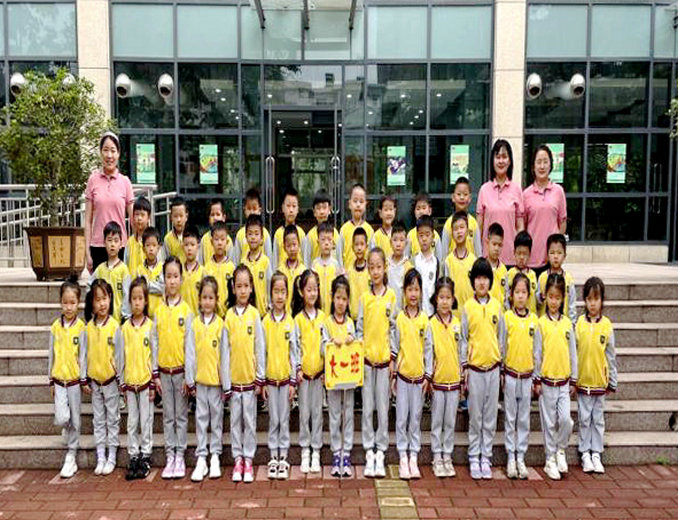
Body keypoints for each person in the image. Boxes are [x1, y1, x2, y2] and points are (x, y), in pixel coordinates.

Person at [461, 258, 504, 480]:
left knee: (490, 415)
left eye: (485, 278)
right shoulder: (468, 307)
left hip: (493, 369)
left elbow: (501, 338)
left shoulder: (497, 306)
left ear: (490, 281)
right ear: (473, 281)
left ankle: (486, 456)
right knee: (475, 416)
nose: (481, 282)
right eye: (478, 278)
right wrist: (464, 367)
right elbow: (463, 339)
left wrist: (501, 367)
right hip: (475, 369)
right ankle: (473, 455)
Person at [223, 265, 266, 483]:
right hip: (234, 382)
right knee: (234, 422)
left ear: (251, 288)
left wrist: (260, 377)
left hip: (250, 382)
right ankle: (237, 458)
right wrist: (225, 383)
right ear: (233, 288)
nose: (242, 290)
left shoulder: (254, 315)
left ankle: (248, 458)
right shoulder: (228, 317)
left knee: (249, 421)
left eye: (246, 286)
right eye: (238, 286)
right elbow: (224, 352)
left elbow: (259, 347)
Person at [357, 247, 397, 478]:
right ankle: (368, 450)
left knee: (382, 408)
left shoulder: (391, 296)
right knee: (367, 407)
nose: (375, 271)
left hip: (383, 363)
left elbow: (394, 330)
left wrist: (392, 357)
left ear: (385, 268)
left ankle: (380, 450)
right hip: (366, 362)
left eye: (378, 267)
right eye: (371, 267)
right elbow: (360, 329)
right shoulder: (364, 299)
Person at [185, 276, 229, 482]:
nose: (208, 301)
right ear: (199, 299)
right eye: (204, 297)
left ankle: (215, 456)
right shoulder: (194, 324)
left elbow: (224, 356)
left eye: (211, 298)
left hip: (216, 383)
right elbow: (190, 353)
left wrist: (226, 384)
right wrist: (190, 380)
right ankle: (201, 457)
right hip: (200, 383)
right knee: (201, 419)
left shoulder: (221, 325)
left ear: (217, 299)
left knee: (216, 420)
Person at [154, 257, 193, 480]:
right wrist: (155, 374)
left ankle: (180, 454)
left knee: (181, 416)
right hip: (164, 373)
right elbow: (155, 342)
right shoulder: (159, 311)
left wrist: (189, 375)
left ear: (181, 279)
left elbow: (189, 345)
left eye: (175, 276)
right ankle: (170, 455)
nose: (172, 281)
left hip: (180, 373)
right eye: (168, 276)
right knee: (168, 416)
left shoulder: (186, 311)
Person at [536, 273, 577, 481]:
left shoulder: (567, 324)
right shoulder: (541, 324)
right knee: (549, 423)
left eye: (557, 298)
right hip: (546, 382)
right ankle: (549, 458)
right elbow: (537, 354)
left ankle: (561, 449)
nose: (554, 302)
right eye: (551, 297)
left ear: (562, 299)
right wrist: (536, 379)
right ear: (545, 296)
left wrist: (574, 378)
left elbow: (573, 353)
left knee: (566, 420)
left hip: (563, 383)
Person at [391, 268, 432, 480]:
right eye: (409, 289)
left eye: (416, 289)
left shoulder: (425, 320)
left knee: (415, 418)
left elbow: (428, 349)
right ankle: (402, 456)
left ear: (421, 292)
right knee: (401, 418)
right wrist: (393, 374)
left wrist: (428, 375)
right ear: (404, 292)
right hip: (403, 377)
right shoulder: (399, 318)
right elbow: (395, 346)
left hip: (419, 379)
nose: (413, 294)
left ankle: (413, 456)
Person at [501, 273, 541, 480]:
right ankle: (510, 456)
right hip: (510, 375)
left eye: (524, 292)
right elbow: (501, 346)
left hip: (527, 377)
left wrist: (536, 377)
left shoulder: (534, 320)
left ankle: (521, 456)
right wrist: (501, 371)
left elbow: (537, 351)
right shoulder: (507, 318)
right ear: (511, 295)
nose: (520, 296)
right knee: (510, 417)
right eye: (517, 292)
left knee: (523, 418)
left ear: (529, 295)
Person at [576, 277, 617, 475]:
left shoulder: (607, 325)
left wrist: (612, 380)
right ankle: (585, 452)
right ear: (584, 300)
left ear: (602, 300)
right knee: (584, 419)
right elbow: (574, 352)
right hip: (583, 381)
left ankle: (596, 453)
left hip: (600, 382)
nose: (593, 303)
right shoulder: (579, 324)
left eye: (596, 299)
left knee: (598, 419)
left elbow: (611, 355)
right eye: (589, 299)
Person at [119, 277, 158, 481]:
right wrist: (122, 383)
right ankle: (133, 455)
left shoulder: (150, 326)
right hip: (130, 383)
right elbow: (121, 357)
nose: (136, 302)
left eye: (140, 298)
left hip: (145, 383)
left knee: (146, 420)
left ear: (145, 301)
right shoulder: (124, 328)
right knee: (132, 422)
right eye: (133, 298)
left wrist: (152, 382)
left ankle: (146, 455)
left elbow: (153, 356)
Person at [82, 279, 121, 476]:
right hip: (95, 383)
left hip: (111, 381)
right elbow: (83, 355)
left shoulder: (114, 326)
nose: (102, 304)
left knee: (112, 419)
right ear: (92, 303)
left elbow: (120, 355)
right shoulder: (88, 328)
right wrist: (83, 378)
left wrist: (120, 377)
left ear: (110, 299)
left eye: (105, 298)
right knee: (98, 420)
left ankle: (112, 455)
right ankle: (100, 456)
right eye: (97, 300)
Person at [49, 280, 87, 478]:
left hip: (74, 381)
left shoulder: (81, 328)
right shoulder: (55, 327)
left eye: (72, 303)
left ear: (78, 303)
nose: (69, 307)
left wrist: (83, 378)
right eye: (65, 302)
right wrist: (50, 379)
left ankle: (71, 454)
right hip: (59, 380)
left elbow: (84, 355)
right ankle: (67, 430)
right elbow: (51, 354)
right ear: (60, 303)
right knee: (63, 417)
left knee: (75, 418)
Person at [262, 272, 298, 480]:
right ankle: (273, 456)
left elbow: (293, 353)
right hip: (270, 380)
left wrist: (293, 381)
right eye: (276, 291)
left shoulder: (290, 322)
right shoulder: (265, 322)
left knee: (284, 419)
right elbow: (262, 352)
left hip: (285, 381)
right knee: (273, 418)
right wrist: (262, 381)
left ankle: (283, 456)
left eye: (283, 292)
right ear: (271, 294)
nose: (279, 296)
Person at [321, 276, 357, 477]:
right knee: (334, 414)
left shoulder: (350, 323)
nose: (341, 302)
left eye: (344, 299)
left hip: (348, 379)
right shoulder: (327, 323)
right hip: (333, 378)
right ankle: (336, 452)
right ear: (332, 298)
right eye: (338, 298)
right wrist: (330, 343)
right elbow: (322, 348)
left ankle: (347, 452)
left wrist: (352, 339)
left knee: (348, 414)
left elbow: (356, 347)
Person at [85, 131, 134, 272]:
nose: (109, 155)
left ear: (118, 154)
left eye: (113, 150)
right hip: (98, 246)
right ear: (100, 153)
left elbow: (133, 221)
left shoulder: (125, 182)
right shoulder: (93, 180)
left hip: (120, 247)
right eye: (105, 150)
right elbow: (87, 221)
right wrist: (87, 252)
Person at [427, 277, 462, 478]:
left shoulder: (457, 324)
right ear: (435, 299)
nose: (445, 302)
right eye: (441, 297)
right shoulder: (431, 324)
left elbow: (461, 350)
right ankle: (436, 455)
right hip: (438, 381)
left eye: (448, 297)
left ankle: (447, 455)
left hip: (454, 381)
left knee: (450, 421)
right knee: (437, 421)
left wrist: (462, 374)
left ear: (453, 299)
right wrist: (429, 376)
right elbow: (428, 352)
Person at [293, 269, 325, 474]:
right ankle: (305, 449)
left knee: (317, 413)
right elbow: (295, 346)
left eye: (315, 289)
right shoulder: (298, 319)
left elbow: (327, 345)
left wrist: (327, 370)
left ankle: (316, 450)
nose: (312, 293)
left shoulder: (323, 318)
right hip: (304, 377)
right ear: (301, 292)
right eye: (308, 289)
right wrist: (297, 368)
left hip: (319, 376)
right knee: (304, 413)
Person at [476, 139, 524, 265]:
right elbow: (479, 228)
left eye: (504, 157)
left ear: (510, 161)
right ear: (492, 161)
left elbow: (520, 226)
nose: (501, 161)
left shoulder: (516, 190)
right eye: (497, 157)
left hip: (511, 258)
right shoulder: (484, 190)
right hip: (488, 259)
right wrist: (479, 255)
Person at [523, 145, 567, 274]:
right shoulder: (526, 194)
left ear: (551, 165)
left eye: (545, 162)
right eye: (538, 162)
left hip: (552, 260)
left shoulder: (558, 191)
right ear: (533, 166)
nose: (542, 166)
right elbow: (523, 225)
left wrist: (557, 249)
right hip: (532, 258)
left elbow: (562, 222)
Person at [89, 221, 131, 323]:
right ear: (104, 243)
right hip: (101, 321)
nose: (112, 244)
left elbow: (127, 295)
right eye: (109, 240)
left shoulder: (124, 270)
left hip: (118, 321)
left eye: (116, 241)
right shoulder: (100, 269)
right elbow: (89, 287)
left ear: (121, 244)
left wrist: (125, 316)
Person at [537, 233, 576, 323]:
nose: (555, 256)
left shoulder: (568, 279)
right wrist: (540, 297)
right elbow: (537, 302)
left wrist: (572, 323)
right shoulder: (543, 277)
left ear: (564, 256)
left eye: (559, 253)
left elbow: (572, 305)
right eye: (552, 253)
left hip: (563, 324)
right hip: (545, 324)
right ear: (547, 256)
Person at [443, 211, 476, 318]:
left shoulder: (473, 261)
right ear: (452, 233)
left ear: (467, 231)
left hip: (471, 313)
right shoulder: (448, 261)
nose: (459, 232)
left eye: (462, 227)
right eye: (456, 229)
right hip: (453, 314)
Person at [241, 214, 274, 316]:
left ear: (262, 238)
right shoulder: (243, 263)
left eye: (256, 234)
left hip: (263, 313)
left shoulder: (265, 262)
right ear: (246, 237)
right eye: (250, 234)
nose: (253, 237)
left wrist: (269, 305)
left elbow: (270, 285)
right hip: (246, 314)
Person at [442, 177, 482, 257]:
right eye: (459, 194)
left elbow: (478, 252)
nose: (462, 197)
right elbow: (444, 253)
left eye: (465, 194)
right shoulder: (448, 224)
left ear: (470, 198)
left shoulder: (473, 223)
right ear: (453, 198)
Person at [231, 188, 273, 265]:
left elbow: (269, 259)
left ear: (259, 210)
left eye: (254, 209)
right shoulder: (240, 234)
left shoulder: (265, 234)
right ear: (244, 210)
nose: (252, 212)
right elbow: (236, 261)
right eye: (249, 209)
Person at [337, 183, 374, 269]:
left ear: (365, 204)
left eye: (361, 202)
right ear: (349, 204)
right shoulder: (344, 229)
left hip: (365, 274)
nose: (358, 205)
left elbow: (372, 255)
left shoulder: (369, 230)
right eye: (355, 201)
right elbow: (339, 256)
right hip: (347, 274)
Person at [203, 221, 235, 318]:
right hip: (211, 315)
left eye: (222, 239)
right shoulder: (207, 268)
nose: (219, 243)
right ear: (211, 242)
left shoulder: (232, 267)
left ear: (227, 242)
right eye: (216, 239)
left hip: (228, 315)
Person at [312, 221, 343, 317]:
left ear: (333, 242)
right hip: (317, 310)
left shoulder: (335, 265)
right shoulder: (315, 265)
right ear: (318, 242)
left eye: (329, 240)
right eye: (323, 240)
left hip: (332, 310)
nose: (326, 243)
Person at [303, 189, 340, 267]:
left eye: (324, 207)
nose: (322, 212)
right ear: (314, 212)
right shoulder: (310, 236)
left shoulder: (335, 233)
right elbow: (306, 260)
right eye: (318, 208)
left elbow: (338, 257)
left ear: (329, 209)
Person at [134, 227, 164, 319]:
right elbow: (140, 291)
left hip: (160, 315)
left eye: (154, 245)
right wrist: (155, 286)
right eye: (148, 245)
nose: (151, 249)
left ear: (158, 247)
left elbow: (163, 288)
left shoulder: (163, 268)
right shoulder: (139, 270)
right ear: (143, 248)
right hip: (144, 316)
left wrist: (147, 284)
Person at [412, 215, 439, 316]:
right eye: (421, 235)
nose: (424, 239)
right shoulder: (414, 261)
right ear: (417, 237)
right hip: (416, 312)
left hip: (432, 312)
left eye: (427, 235)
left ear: (433, 236)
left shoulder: (436, 262)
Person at [273, 187, 306, 269]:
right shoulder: (278, 234)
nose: (291, 210)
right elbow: (275, 260)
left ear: (298, 209)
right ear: (282, 208)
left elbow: (305, 258)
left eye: (294, 206)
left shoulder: (301, 233)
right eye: (288, 206)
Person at [506, 231, 538, 313]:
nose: (521, 257)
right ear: (514, 253)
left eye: (525, 254)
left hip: (531, 317)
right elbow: (506, 297)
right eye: (519, 253)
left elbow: (537, 298)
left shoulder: (533, 275)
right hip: (515, 317)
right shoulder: (509, 274)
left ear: (529, 255)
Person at [407, 192, 443, 263]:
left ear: (430, 211)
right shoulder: (410, 235)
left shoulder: (435, 236)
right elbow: (406, 258)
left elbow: (439, 260)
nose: (421, 211)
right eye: (418, 209)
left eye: (424, 208)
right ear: (414, 212)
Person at [278, 225, 306, 313]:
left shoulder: (303, 271)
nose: (292, 249)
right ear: (284, 247)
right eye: (288, 246)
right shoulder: (280, 271)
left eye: (294, 245)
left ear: (299, 245)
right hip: (284, 315)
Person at [199, 198, 233, 265]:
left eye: (218, 214)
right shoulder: (204, 239)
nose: (215, 218)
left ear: (223, 218)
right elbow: (200, 263)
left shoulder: (228, 240)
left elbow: (231, 262)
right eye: (212, 215)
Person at [346, 228, 370, 321]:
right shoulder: (349, 271)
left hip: (368, 317)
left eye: (362, 244)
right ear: (352, 247)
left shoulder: (370, 271)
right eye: (356, 244)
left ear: (366, 247)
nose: (359, 248)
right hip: (353, 318)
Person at [386, 222, 412, 308]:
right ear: (390, 242)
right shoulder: (386, 265)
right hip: (387, 308)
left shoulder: (409, 267)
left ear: (406, 243)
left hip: (402, 310)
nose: (398, 244)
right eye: (395, 240)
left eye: (401, 240)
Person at [125, 196, 151, 275]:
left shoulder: (152, 240)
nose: (139, 218)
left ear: (148, 217)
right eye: (137, 214)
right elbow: (126, 265)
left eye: (142, 215)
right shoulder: (130, 242)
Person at [181, 226, 204, 316]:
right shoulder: (178, 272)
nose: (189, 248)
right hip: (181, 318)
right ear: (182, 246)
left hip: (198, 319)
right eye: (186, 245)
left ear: (198, 246)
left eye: (192, 245)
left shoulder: (203, 272)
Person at [486, 223, 508, 306]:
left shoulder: (504, 269)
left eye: (499, 245)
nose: (496, 248)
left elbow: (506, 295)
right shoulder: (482, 267)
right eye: (494, 244)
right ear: (487, 243)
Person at [163, 197, 189, 264]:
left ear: (186, 216)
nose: (178, 220)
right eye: (175, 216)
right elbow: (166, 262)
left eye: (181, 216)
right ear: (171, 217)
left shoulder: (192, 237)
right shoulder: (168, 239)